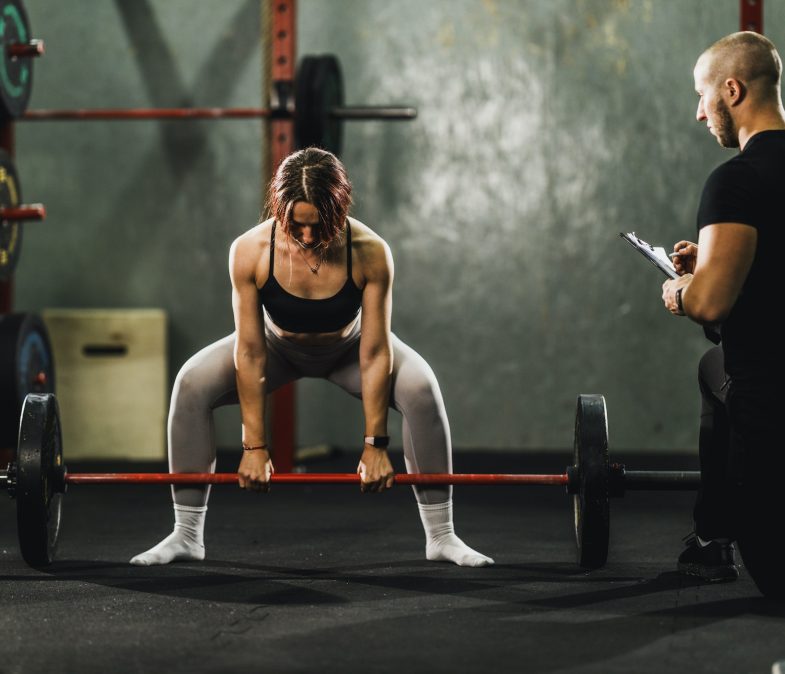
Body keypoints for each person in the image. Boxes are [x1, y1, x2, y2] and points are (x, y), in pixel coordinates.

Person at [130, 147, 494, 568]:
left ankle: (442, 536)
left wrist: (375, 445)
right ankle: (186, 535)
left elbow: (376, 353)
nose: (305, 236)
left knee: (421, 388)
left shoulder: (371, 252)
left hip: (349, 351)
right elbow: (248, 351)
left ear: (338, 209)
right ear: (280, 211)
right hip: (276, 348)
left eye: (317, 225)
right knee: (190, 382)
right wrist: (254, 445)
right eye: (295, 225)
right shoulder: (250, 251)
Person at [661, 31, 784, 596]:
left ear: (731, 90)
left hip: (770, 396)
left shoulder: (734, 181)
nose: (698, 112)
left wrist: (683, 286)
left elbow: (711, 304)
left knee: (716, 366)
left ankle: (712, 537)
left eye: (702, 95)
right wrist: (712, 259)